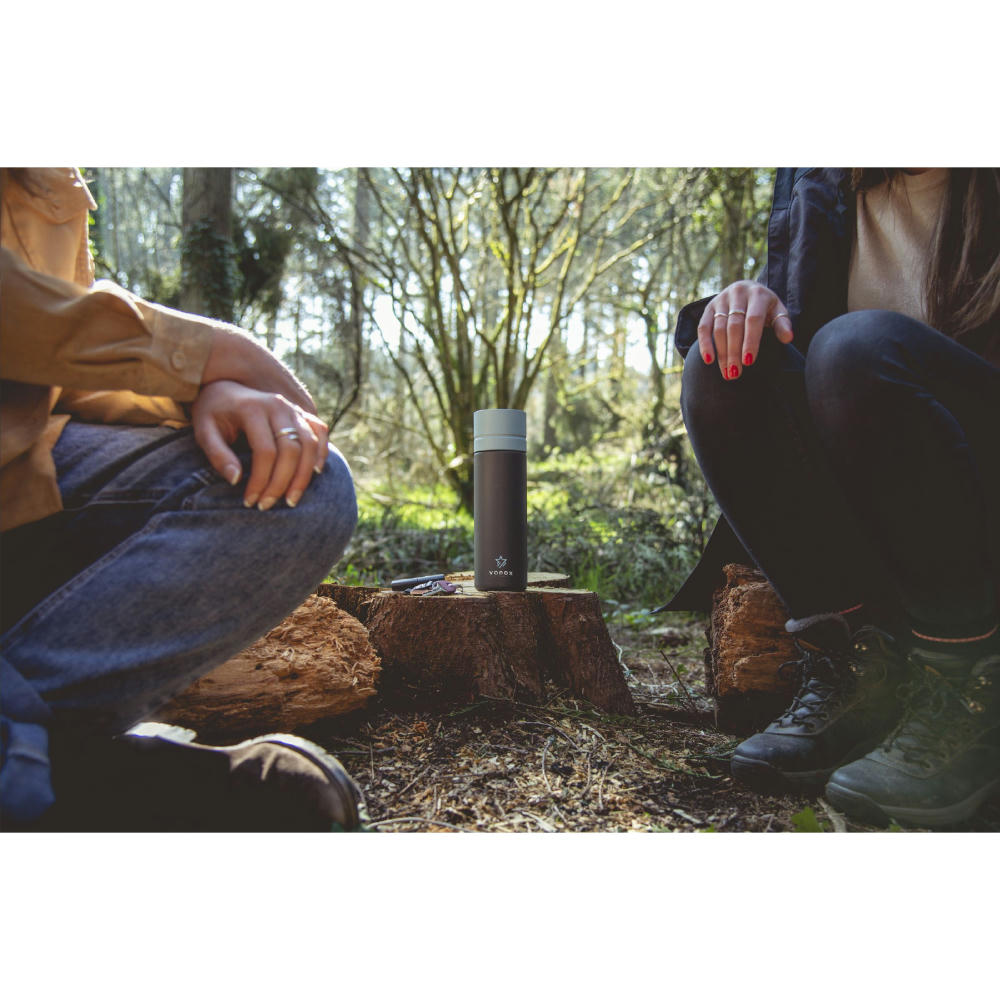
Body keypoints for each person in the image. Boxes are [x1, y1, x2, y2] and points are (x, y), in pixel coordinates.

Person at [0, 167, 363, 831]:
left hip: (21, 493)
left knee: (303, 485)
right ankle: (82, 782)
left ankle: (34, 758)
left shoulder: (48, 172)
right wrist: (206, 352)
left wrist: (201, 392)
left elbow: (51, 371)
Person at [662, 167, 1000, 828]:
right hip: (879, 508)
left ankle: (970, 686)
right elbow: (796, 348)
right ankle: (856, 667)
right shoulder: (817, 179)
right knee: (723, 365)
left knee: (854, 349)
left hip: (978, 501)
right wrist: (746, 304)